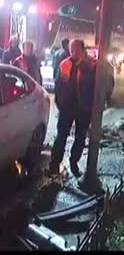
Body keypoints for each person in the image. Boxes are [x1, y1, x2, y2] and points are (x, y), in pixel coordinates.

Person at [49, 40, 96, 177]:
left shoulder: (91, 65)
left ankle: (74, 161)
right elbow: (58, 85)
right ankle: (54, 164)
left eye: (76, 50)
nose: (74, 52)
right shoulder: (64, 64)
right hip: (67, 107)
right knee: (61, 136)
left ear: (82, 50)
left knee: (80, 137)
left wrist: (92, 107)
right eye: (72, 50)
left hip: (83, 108)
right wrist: (60, 103)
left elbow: (95, 87)